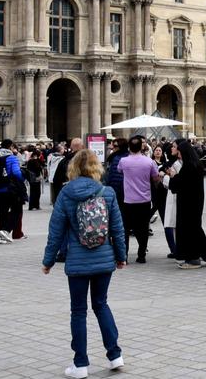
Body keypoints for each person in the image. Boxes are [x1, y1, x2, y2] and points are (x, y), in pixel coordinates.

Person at [41, 148, 127, 378]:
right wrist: (121, 256)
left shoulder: (66, 193)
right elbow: (118, 229)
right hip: (104, 259)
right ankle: (115, 355)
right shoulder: (107, 192)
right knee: (101, 304)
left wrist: (48, 261)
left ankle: (80, 364)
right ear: (96, 167)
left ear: (73, 168)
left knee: (78, 311)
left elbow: (55, 231)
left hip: (77, 262)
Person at [169, 139, 206, 269]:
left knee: (188, 230)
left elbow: (179, 185)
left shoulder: (188, 166)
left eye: (179, 151)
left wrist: (173, 176)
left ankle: (193, 259)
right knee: (195, 228)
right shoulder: (196, 164)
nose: (178, 153)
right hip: (196, 201)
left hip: (187, 203)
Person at [118, 136, 157, 264]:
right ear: (141, 146)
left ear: (129, 147)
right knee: (143, 228)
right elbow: (155, 177)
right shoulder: (149, 162)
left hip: (128, 200)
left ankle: (124, 255)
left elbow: (119, 170)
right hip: (144, 200)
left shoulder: (123, 161)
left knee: (125, 228)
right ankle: (141, 255)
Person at [52, 138, 83, 205]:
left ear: (71, 146)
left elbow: (56, 180)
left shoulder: (64, 161)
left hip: (67, 194)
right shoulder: (88, 160)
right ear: (82, 146)